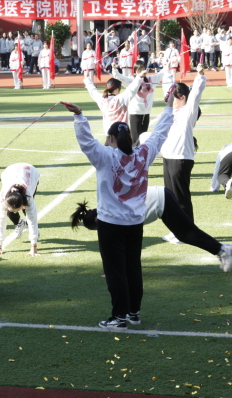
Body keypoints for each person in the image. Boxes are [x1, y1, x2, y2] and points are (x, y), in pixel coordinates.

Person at [62, 87, 174, 331]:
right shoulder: (144, 153)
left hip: (111, 225)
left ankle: (119, 318)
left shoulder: (105, 156)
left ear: (111, 138)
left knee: (116, 272)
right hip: (135, 223)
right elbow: (160, 133)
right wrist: (169, 106)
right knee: (133, 268)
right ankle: (133, 313)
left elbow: (86, 142)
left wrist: (79, 115)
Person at [71, 186, 232, 273]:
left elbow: (122, 248)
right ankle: (220, 250)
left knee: (187, 234)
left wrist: (115, 272)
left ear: (97, 220)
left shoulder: (111, 215)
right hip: (161, 195)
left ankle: (222, 250)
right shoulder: (107, 207)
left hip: (161, 201)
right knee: (185, 234)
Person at [159, 65, 207, 222]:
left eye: (173, 97)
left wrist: (200, 75)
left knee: (181, 198)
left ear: (182, 98)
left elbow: (196, 94)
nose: (169, 100)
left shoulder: (188, 111)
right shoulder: (170, 113)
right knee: (170, 197)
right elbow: (167, 86)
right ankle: (176, 230)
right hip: (168, 157)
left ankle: (188, 231)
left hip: (181, 158)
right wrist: (167, 70)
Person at [113, 60, 165, 145]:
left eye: (143, 69)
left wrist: (168, 65)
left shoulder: (151, 79)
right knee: (136, 140)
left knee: (143, 138)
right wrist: (114, 69)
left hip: (146, 113)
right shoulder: (131, 80)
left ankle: (142, 153)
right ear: (135, 71)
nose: (141, 71)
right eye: (139, 70)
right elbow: (119, 77)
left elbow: (162, 73)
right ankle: (134, 153)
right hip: (135, 113)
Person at [0, 163, 40, 257]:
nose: (15, 212)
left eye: (16, 210)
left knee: (29, 212)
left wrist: (34, 247)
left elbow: (32, 219)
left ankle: (34, 233)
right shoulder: (3, 197)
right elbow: (0, 220)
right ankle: (20, 223)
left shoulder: (28, 197)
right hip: (9, 171)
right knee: (5, 212)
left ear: (22, 205)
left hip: (31, 172)